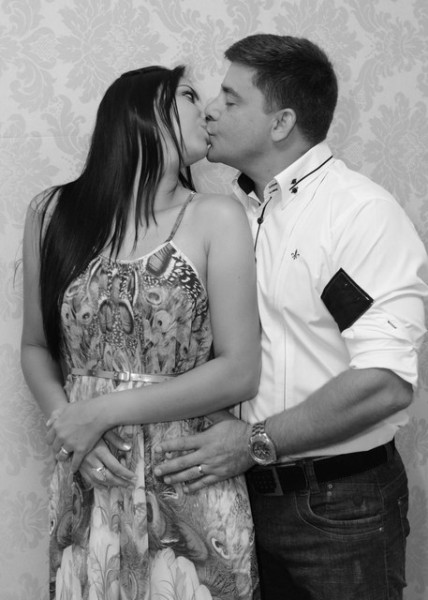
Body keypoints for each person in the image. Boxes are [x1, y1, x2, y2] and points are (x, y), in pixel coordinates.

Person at [152, 34, 428, 599]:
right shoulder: (234, 215)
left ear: (281, 123)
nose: (210, 111)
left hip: (338, 507)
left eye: (230, 99)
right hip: (241, 502)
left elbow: (386, 381)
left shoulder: (357, 214)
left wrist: (253, 441)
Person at [21, 65, 261, 599]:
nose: (209, 110)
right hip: (91, 481)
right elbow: (35, 347)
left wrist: (99, 413)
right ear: (141, 111)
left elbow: (240, 370)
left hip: (188, 479)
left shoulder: (216, 216)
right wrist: (71, 426)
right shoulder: (52, 214)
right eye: (189, 96)